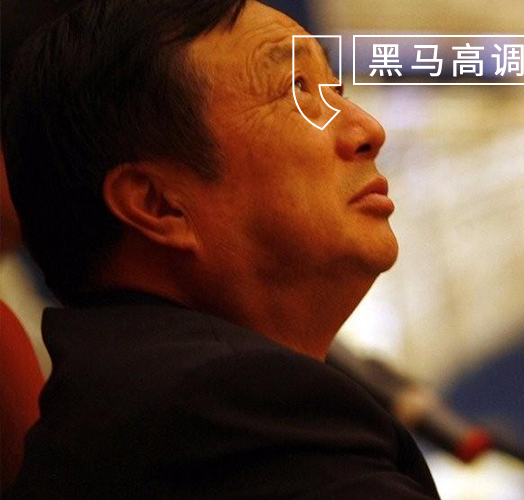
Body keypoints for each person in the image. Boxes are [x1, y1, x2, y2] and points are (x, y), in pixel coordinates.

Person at [2, 0, 440, 497]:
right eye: (296, 88)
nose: (369, 130)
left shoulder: (126, 402)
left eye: (336, 90)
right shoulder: (232, 409)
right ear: (159, 204)